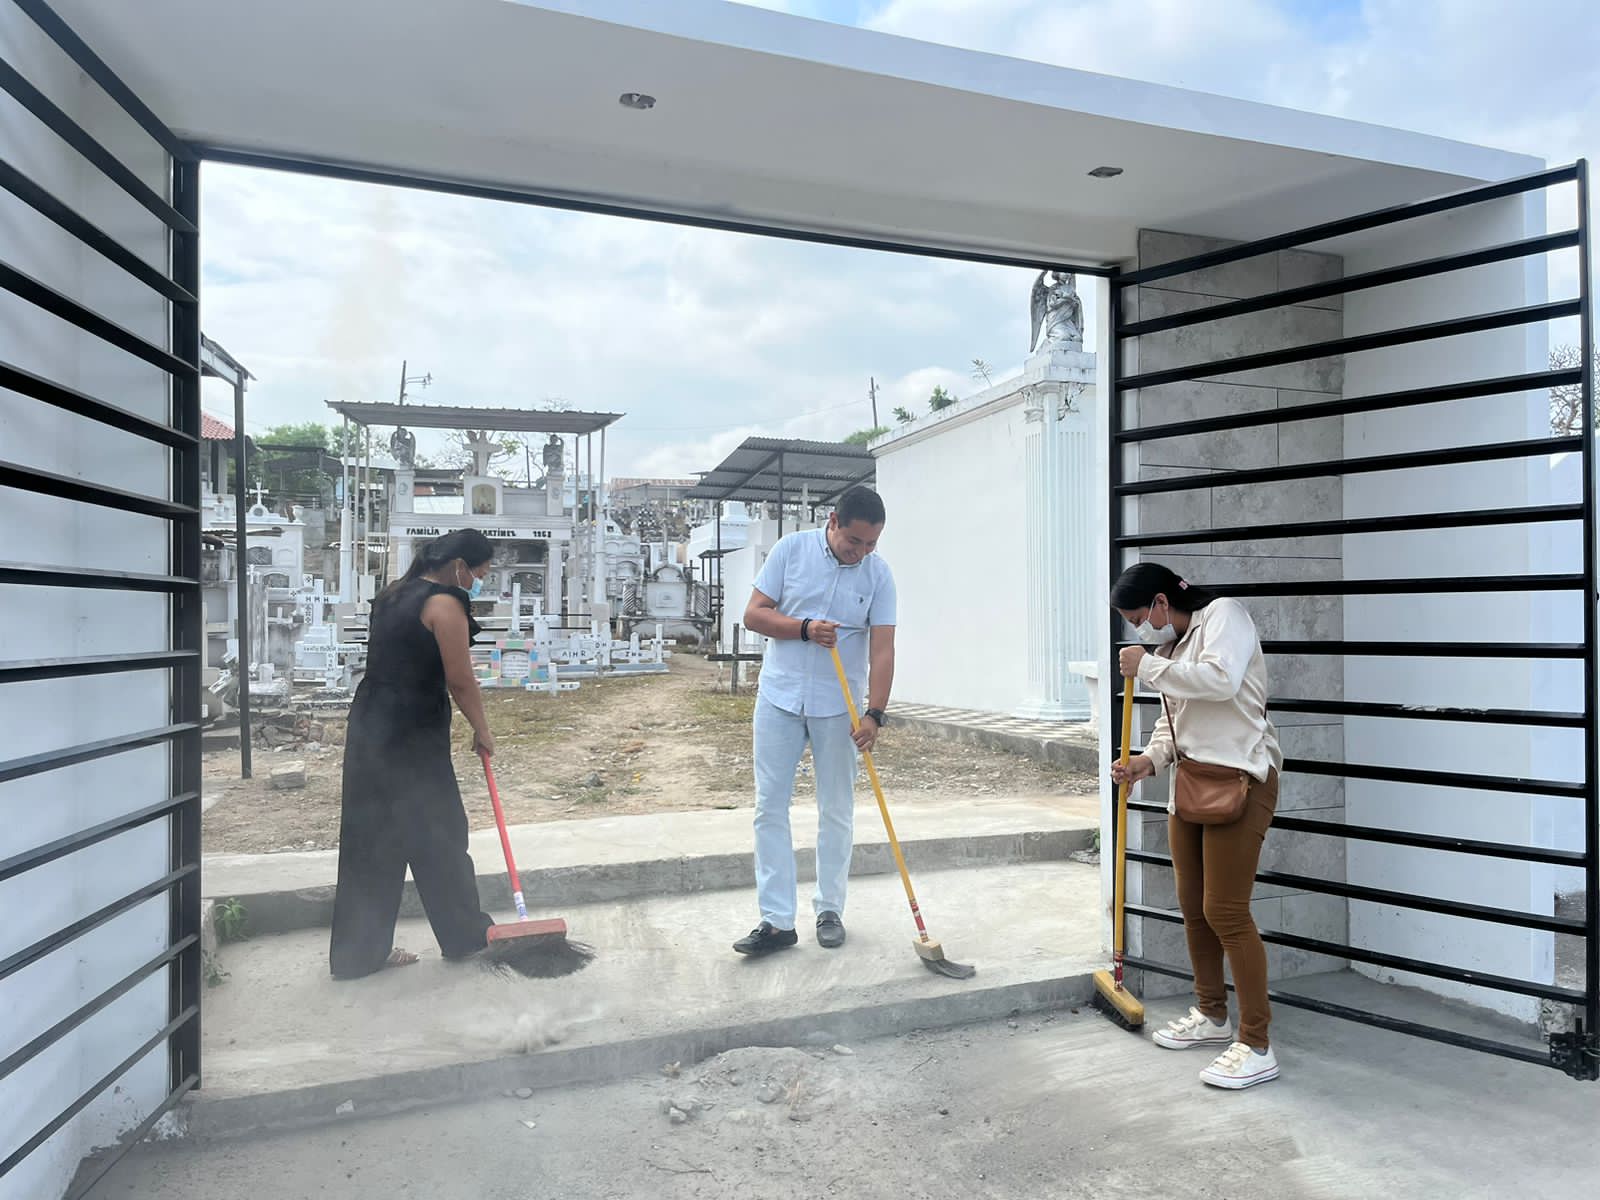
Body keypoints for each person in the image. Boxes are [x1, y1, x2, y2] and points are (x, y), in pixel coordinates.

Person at [1109, 562, 1283, 1089]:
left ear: (1162, 602)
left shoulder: (1224, 616)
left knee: (1225, 910)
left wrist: (1148, 667)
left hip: (1242, 778)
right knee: (1193, 908)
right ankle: (1212, 1014)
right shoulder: (1171, 648)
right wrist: (1147, 761)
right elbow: (1174, 724)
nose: (1140, 630)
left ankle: (1257, 1044)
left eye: (1139, 617)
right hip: (1191, 783)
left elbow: (1221, 681)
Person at [732, 487, 897, 956]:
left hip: (839, 708)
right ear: (833, 522)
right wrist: (804, 629)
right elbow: (754, 616)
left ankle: (830, 910)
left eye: (871, 543)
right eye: (854, 541)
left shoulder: (879, 575)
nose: (861, 552)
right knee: (769, 807)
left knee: (837, 809)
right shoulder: (790, 551)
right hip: (779, 698)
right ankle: (777, 921)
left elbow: (883, 648)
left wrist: (874, 713)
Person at [329, 529, 499, 979]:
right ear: (459, 566)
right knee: (440, 833)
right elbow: (460, 679)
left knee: (371, 839)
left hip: (371, 725)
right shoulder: (444, 605)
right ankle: (465, 936)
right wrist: (482, 730)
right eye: (479, 572)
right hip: (413, 732)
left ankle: (358, 956)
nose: (478, 581)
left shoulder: (392, 595)